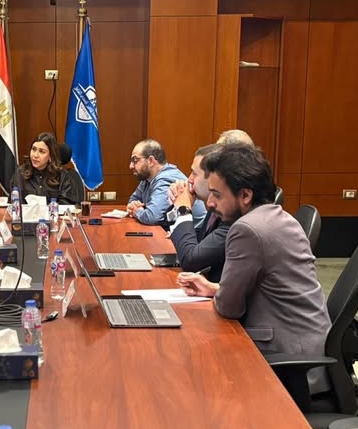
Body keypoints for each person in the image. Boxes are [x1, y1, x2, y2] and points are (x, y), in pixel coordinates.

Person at [177, 144, 330, 394]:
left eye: (217, 195)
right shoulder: (280, 216)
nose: (210, 203)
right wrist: (215, 289)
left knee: (189, 369)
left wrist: (222, 294)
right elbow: (270, 286)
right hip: (306, 349)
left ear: (245, 195)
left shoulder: (246, 229)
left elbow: (229, 307)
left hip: (289, 365)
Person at [166, 144, 229, 282]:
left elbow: (191, 261)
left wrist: (183, 209)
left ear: (213, 177)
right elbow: (198, 243)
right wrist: (176, 203)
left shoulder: (231, 216)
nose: (189, 179)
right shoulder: (213, 207)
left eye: (194, 173)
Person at [126, 139, 205, 226]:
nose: (131, 166)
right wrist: (136, 207)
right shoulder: (147, 177)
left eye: (135, 160)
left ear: (151, 161)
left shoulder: (166, 179)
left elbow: (152, 217)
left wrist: (137, 211)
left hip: (194, 232)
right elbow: (133, 200)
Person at [9, 133, 80, 204]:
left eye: (42, 151)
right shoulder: (21, 173)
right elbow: (15, 203)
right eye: (34, 149)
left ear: (51, 156)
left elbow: (66, 205)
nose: (35, 155)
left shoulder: (62, 176)